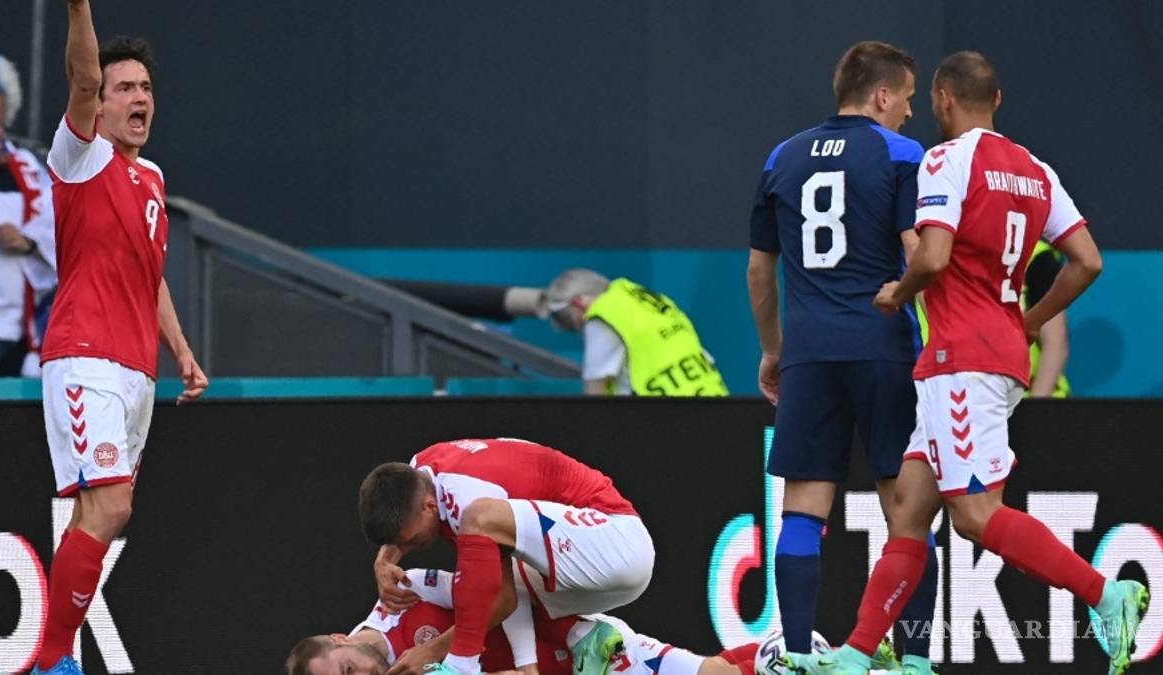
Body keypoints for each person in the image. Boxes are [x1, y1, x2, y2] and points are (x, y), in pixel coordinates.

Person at [802, 51, 1147, 675]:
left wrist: (898, 293)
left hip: (963, 360)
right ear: (998, 99)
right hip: (992, 355)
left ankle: (1106, 594)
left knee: (975, 516)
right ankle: (857, 655)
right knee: (908, 512)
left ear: (942, 99)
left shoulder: (946, 160)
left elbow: (933, 256)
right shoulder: (1037, 171)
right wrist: (1033, 320)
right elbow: (1088, 260)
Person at [746, 40, 937, 674]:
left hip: (809, 355)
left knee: (802, 509)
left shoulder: (781, 156)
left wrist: (773, 351)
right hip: (885, 349)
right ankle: (914, 661)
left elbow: (759, 271)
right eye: (906, 98)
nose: (910, 111)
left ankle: (798, 656)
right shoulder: (901, 154)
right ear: (881, 95)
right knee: (907, 514)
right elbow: (917, 253)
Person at [32, 2, 208, 673]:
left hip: (137, 370)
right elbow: (81, 76)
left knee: (98, 514)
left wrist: (180, 348)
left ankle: (55, 659)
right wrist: (79, 7)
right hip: (86, 357)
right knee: (110, 505)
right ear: (99, 106)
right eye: (124, 88)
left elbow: (149, 273)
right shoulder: (79, 157)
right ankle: (52, 659)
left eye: (146, 88)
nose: (139, 99)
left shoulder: (153, 177)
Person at [357, 438, 655, 675]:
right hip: (584, 560)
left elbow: (501, 601)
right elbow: (505, 594)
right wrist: (385, 559)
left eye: (410, 541)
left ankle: (461, 666)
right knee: (485, 572)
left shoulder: (469, 500)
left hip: (617, 543)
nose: (411, 548)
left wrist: (434, 650)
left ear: (429, 507)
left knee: (480, 533)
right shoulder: (417, 474)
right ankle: (584, 638)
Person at [287, 567, 764, 675]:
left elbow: (500, 591)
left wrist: (435, 648)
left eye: (348, 670)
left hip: (587, 647)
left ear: (339, 639)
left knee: (714, 673)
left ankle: (793, 652)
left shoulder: (403, 595)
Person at [0, 48, 57, 377]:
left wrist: (29, 243)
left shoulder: (26, 165)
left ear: (5, 103)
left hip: (25, 323)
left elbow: (57, 226)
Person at [541, 269, 728, 396]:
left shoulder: (603, 314)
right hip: (716, 400)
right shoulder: (643, 300)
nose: (578, 328)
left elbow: (595, 392)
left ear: (578, 303)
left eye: (568, 319)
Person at [1023, 241, 1070, 397]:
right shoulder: (964, 256)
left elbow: (1055, 345)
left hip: (1030, 398)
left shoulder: (1037, 257)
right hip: (983, 399)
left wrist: (1038, 405)